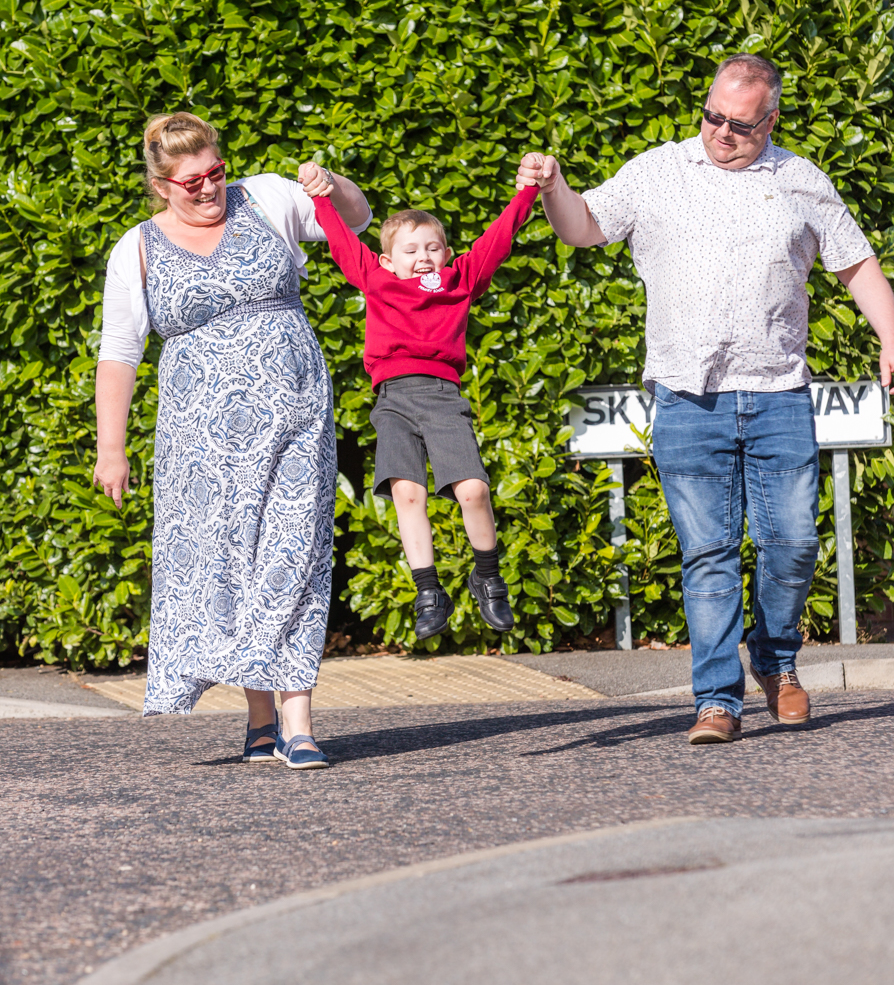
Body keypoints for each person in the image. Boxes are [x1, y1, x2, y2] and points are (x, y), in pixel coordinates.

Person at [518, 53, 894, 744]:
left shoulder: (799, 180)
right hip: (688, 396)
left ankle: (776, 663)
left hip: (778, 390)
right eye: (713, 116)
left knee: (794, 543)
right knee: (709, 553)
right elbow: (582, 227)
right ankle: (716, 701)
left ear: (771, 120)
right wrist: (554, 187)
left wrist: (892, 332)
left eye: (741, 126)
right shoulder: (657, 170)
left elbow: (855, 263)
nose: (721, 133)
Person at [94, 113, 372, 769]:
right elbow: (118, 351)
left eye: (215, 172)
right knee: (232, 565)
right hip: (200, 443)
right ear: (161, 185)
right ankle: (257, 718)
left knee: (294, 551)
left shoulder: (269, 195)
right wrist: (112, 448)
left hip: (296, 414)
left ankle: (297, 721)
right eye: (191, 182)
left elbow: (356, 219)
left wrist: (331, 183)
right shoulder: (136, 247)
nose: (208, 188)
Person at [302, 161, 541, 641]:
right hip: (392, 399)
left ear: (448, 254)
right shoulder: (378, 279)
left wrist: (527, 192)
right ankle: (428, 591)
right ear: (389, 260)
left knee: (472, 489)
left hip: (441, 397)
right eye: (410, 250)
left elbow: (497, 240)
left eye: (433, 248)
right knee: (406, 493)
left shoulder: (459, 281)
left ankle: (487, 576)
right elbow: (343, 243)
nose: (423, 256)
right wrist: (319, 196)